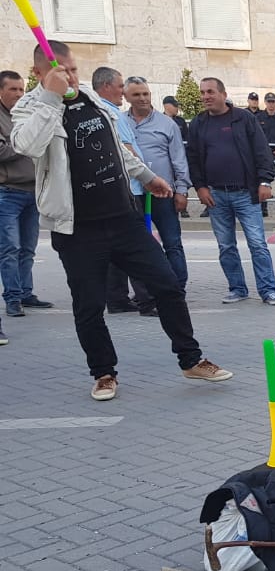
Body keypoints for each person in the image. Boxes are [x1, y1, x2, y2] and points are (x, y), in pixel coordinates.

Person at [11, 40, 232, 400]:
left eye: (72, 68)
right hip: (78, 228)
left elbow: (115, 147)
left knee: (167, 285)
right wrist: (51, 98)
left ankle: (191, 359)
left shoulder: (90, 98)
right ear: (39, 73)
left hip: (123, 218)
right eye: (59, 70)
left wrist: (147, 176)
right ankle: (103, 373)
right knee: (89, 306)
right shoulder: (30, 106)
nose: (69, 76)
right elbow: (27, 147)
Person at [187, 76, 275, 305]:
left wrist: (265, 182)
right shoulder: (198, 123)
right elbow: (193, 158)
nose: (205, 97)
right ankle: (237, 288)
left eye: (210, 92)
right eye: (202, 92)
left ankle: (268, 290)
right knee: (226, 245)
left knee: (257, 243)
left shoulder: (244, 118)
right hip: (216, 194)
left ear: (222, 93)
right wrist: (200, 187)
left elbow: (262, 151)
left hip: (245, 193)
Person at [123, 75, 191, 312]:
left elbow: (179, 160)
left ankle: (177, 290)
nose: (142, 99)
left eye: (146, 94)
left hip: (164, 193)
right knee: (139, 246)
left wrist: (182, 191)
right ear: (126, 97)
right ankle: (147, 296)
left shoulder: (166, 124)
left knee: (172, 243)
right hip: (133, 194)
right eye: (136, 95)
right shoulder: (121, 122)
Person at [93, 66, 149, 314]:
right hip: (128, 189)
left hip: (116, 190)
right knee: (137, 246)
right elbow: (126, 150)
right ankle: (147, 300)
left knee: (115, 248)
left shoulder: (99, 111)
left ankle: (116, 298)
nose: (123, 92)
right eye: (119, 87)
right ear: (106, 87)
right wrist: (148, 176)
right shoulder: (109, 113)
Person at [0, 68, 47, 322]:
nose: (19, 94)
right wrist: (26, 141)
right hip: (7, 193)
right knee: (9, 248)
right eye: (13, 89)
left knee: (28, 248)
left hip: (33, 191)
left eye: (21, 89)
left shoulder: (26, 114)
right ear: (1, 91)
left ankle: (26, 293)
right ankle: (13, 298)